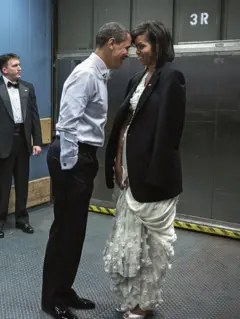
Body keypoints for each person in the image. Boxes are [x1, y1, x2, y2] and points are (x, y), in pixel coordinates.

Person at [41, 22, 131, 319]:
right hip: (73, 156)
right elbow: (67, 124)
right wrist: (69, 170)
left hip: (82, 156)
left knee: (75, 231)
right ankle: (51, 299)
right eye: (125, 47)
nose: (127, 54)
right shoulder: (86, 74)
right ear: (109, 43)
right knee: (64, 230)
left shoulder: (98, 74)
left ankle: (65, 290)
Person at [103, 20, 186, 319]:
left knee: (153, 247)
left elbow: (169, 134)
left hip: (153, 178)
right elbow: (125, 123)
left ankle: (144, 302)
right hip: (129, 172)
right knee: (130, 241)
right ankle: (131, 297)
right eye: (135, 46)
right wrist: (116, 159)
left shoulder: (171, 77)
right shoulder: (137, 78)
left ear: (159, 45)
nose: (136, 51)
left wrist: (151, 176)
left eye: (142, 46)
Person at [0, 53, 42, 238]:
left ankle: (22, 219)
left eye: (20, 65)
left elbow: (34, 116)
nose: (19, 68)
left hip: (23, 141)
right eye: (15, 65)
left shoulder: (28, 87)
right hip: (2, 143)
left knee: (22, 182)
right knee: (2, 185)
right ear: (4, 69)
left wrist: (37, 141)